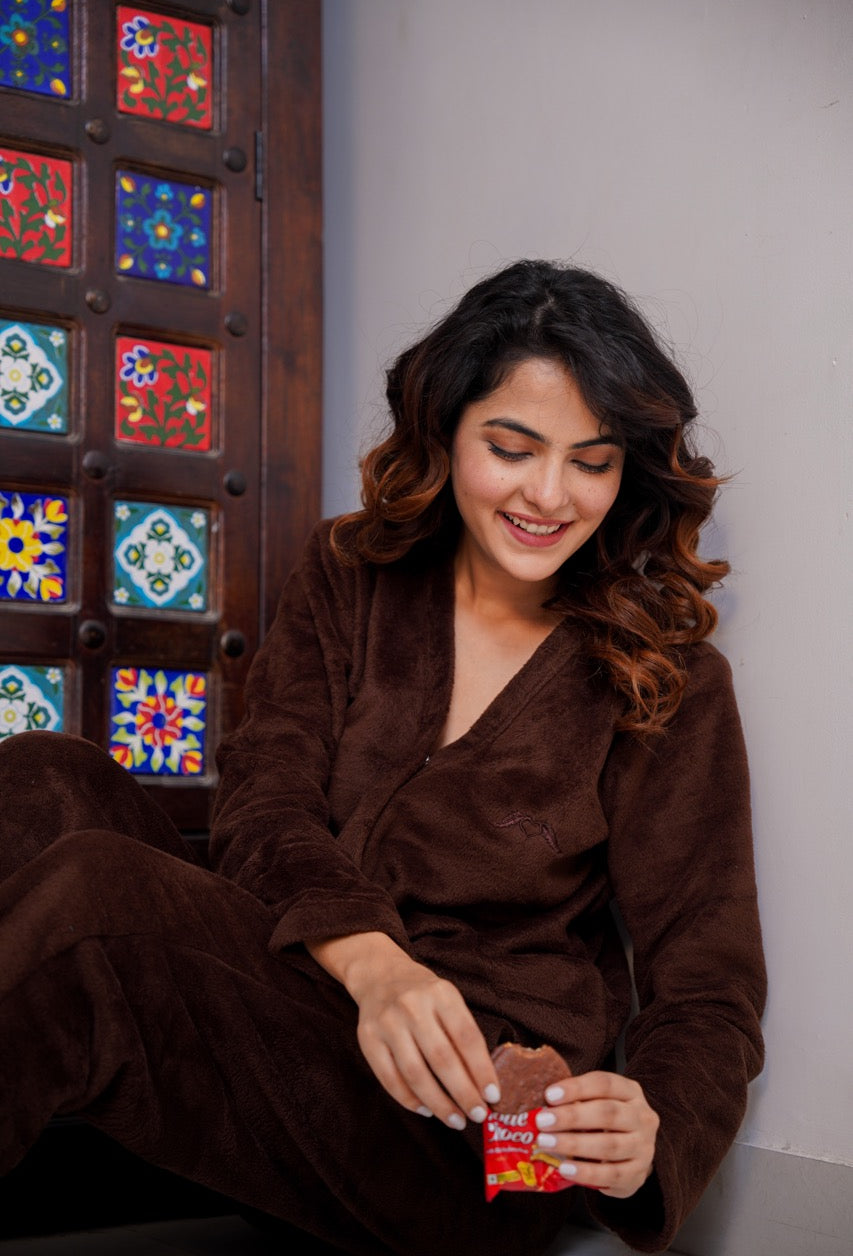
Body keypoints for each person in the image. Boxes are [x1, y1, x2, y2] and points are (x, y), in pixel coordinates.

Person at [0, 260, 766, 1256]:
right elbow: (263, 804)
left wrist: (649, 1133)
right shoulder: (351, 571)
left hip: (475, 1138)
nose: (549, 494)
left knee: (95, 906)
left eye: (592, 461)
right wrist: (376, 967)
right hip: (306, 1015)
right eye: (511, 447)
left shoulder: (667, 676)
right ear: (445, 431)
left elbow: (709, 984)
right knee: (43, 775)